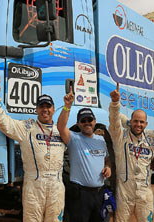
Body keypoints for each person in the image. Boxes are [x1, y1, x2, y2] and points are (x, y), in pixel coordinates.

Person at [0, 76, 66, 222]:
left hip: (56, 186)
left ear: (53, 109)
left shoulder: (61, 131)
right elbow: (4, 122)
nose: (45, 110)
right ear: (36, 109)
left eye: (48, 106)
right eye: (41, 106)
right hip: (34, 186)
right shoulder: (27, 128)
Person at [57, 88, 111, 222]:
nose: (87, 123)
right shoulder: (74, 138)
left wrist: (108, 167)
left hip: (99, 194)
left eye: (90, 119)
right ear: (78, 123)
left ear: (95, 120)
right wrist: (67, 106)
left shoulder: (101, 140)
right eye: (83, 120)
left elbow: (106, 159)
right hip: (80, 196)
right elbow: (61, 127)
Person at [108, 83, 154, 222]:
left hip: (145, 192)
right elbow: (114, 121)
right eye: (135, 121)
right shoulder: (120, 137)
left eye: (141, 122)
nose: (138, 124)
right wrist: (115, 103)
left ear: (146, 124)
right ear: (130, 122)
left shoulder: (151, 142)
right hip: (124, 192)